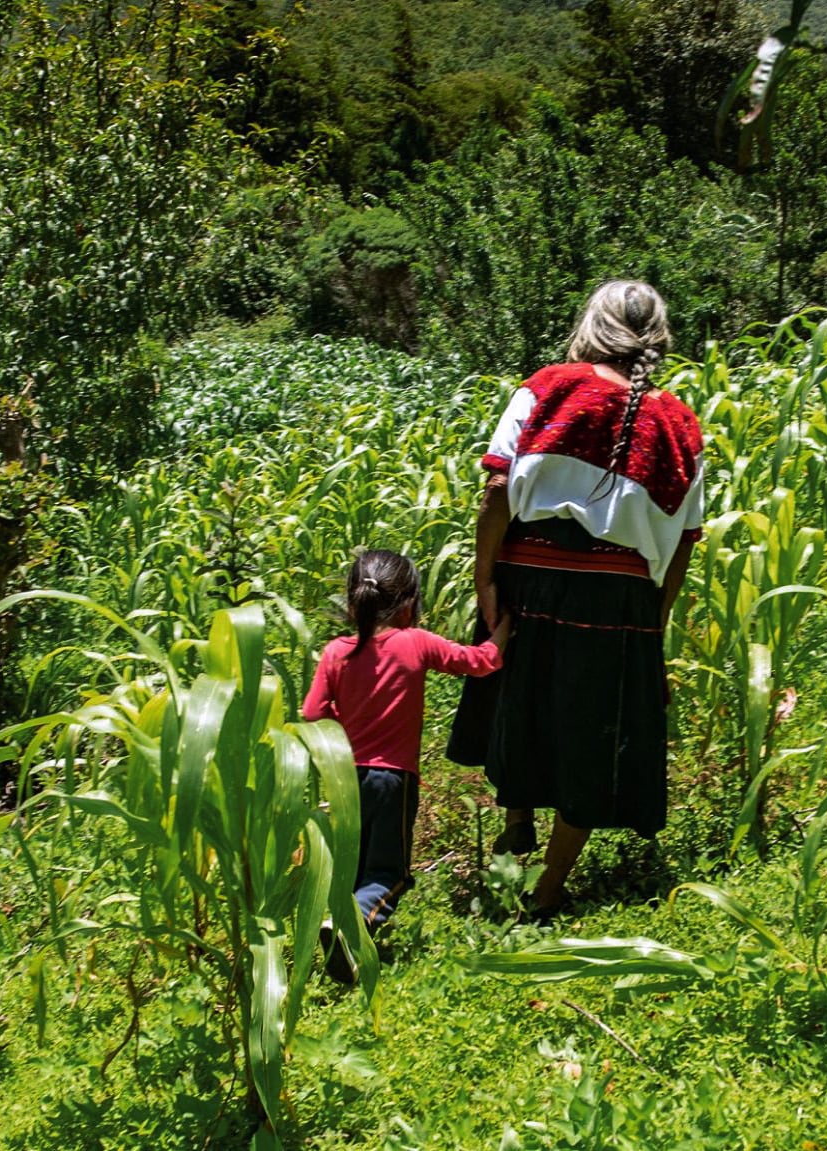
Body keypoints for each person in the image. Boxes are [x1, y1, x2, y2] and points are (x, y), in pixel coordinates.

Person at [447, 280, 705, 917]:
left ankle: (516, 825)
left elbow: (498, 490)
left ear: (593, 325)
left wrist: (485, 579)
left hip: (529, 573)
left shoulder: (548, 387)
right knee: (592, 731)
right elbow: (684, 541)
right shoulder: (679, 423)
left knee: (518, 699)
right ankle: (548, 889)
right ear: (658, 338)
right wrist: (654, 620)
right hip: (620, 595)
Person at [302, 549, 511, 982]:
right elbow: (480, 662)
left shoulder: (336, 652)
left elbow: (312, 713)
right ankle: (352, 926)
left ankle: (342, 933)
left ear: (354, 601)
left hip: (345, 780)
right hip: (392, 780)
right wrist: (505, 630)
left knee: (355, 864)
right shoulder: (415, 642)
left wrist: (348, 726)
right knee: (390, 873)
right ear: (410, 604)